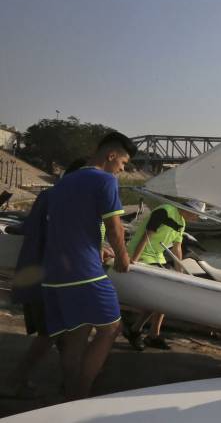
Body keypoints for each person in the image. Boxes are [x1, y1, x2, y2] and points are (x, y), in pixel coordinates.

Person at [41, 132, 135, 400]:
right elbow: (115, 228)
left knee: (77, 335)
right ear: (111, 155)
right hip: (84, 274)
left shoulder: (65, 182)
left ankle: (70, 393)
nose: (122, 169)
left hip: (55, 274)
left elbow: (74, 226)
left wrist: (98, 248)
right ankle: (82, 394)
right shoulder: (105, 180)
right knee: (111, 329)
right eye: (123, 164)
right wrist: (122, 258)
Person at [3, 158, 86, 397]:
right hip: (51, 276)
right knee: (52, 332)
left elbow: (31, 228)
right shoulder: (66, 200)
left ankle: (68, 383)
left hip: (39, 272)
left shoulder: (49, 196)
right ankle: (16, 380)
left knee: (58, 333)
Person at [124, 199, 205, 350]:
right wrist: (133, 260)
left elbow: (177, 248)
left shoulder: (181, 222)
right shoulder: (165, 211)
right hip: (142, 255)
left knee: (165, 296)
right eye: (196, 215)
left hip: (157, 258)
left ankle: (148, 333)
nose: (197, 218)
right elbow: (147, 235)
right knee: (162, 295)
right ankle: (141, 331)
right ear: (190, 210)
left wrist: (180, 273)